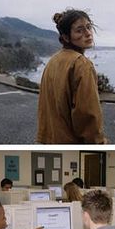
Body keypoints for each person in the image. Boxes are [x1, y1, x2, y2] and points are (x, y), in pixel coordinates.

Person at [37, 10, 106, 145]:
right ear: (66, 37)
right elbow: (86, 115)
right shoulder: (82, 64)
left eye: (88, 27)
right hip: (70, 145)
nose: (88, 33)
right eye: (79, 30)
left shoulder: (53, 60)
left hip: (48, 141)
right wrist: (99, 144)